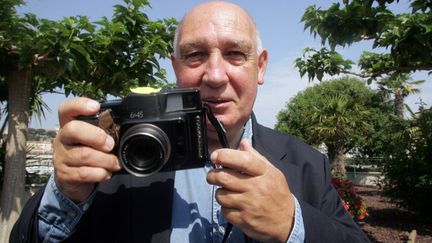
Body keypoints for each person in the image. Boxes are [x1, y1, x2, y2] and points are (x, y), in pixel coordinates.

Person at [11, 1, 370, 242]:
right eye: (195, 55)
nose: (215, 75)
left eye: (234, 54)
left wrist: (293, 224)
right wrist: (65, 194)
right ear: (175, 67)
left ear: (259, 66)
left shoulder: (308, 163)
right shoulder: (114, 158)